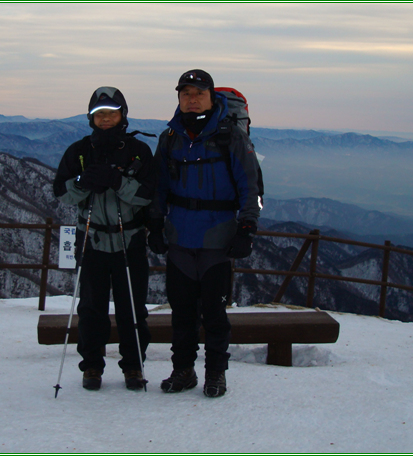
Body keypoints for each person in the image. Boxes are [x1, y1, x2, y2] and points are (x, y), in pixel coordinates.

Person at [148, 69, 264, 398]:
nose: (192, 98)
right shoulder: (169, 138)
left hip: (217, 238)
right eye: (185, 93)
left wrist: (247, 226)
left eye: (198, 92)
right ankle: (183, 371)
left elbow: (248, 185)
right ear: (179, 99)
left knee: (214, 312)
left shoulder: (230, 136)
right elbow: (159, 186)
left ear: (211, 96)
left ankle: (216, 373)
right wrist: (154, 223)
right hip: (180, 238)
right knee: (182, 312)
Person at [53, 86, 156, 391]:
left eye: (111, 112)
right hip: (93, 239)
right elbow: (63, 194)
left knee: (133, 308)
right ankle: (92, 366)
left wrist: (117, 181)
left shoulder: (139, 151)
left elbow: (147, 196)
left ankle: (133, 366)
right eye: (100, 114)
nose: (106, 119)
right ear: (91, 118)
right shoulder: (80, 151)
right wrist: (83, 182)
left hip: (130, 240)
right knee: (91, 308)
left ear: (123, 114)